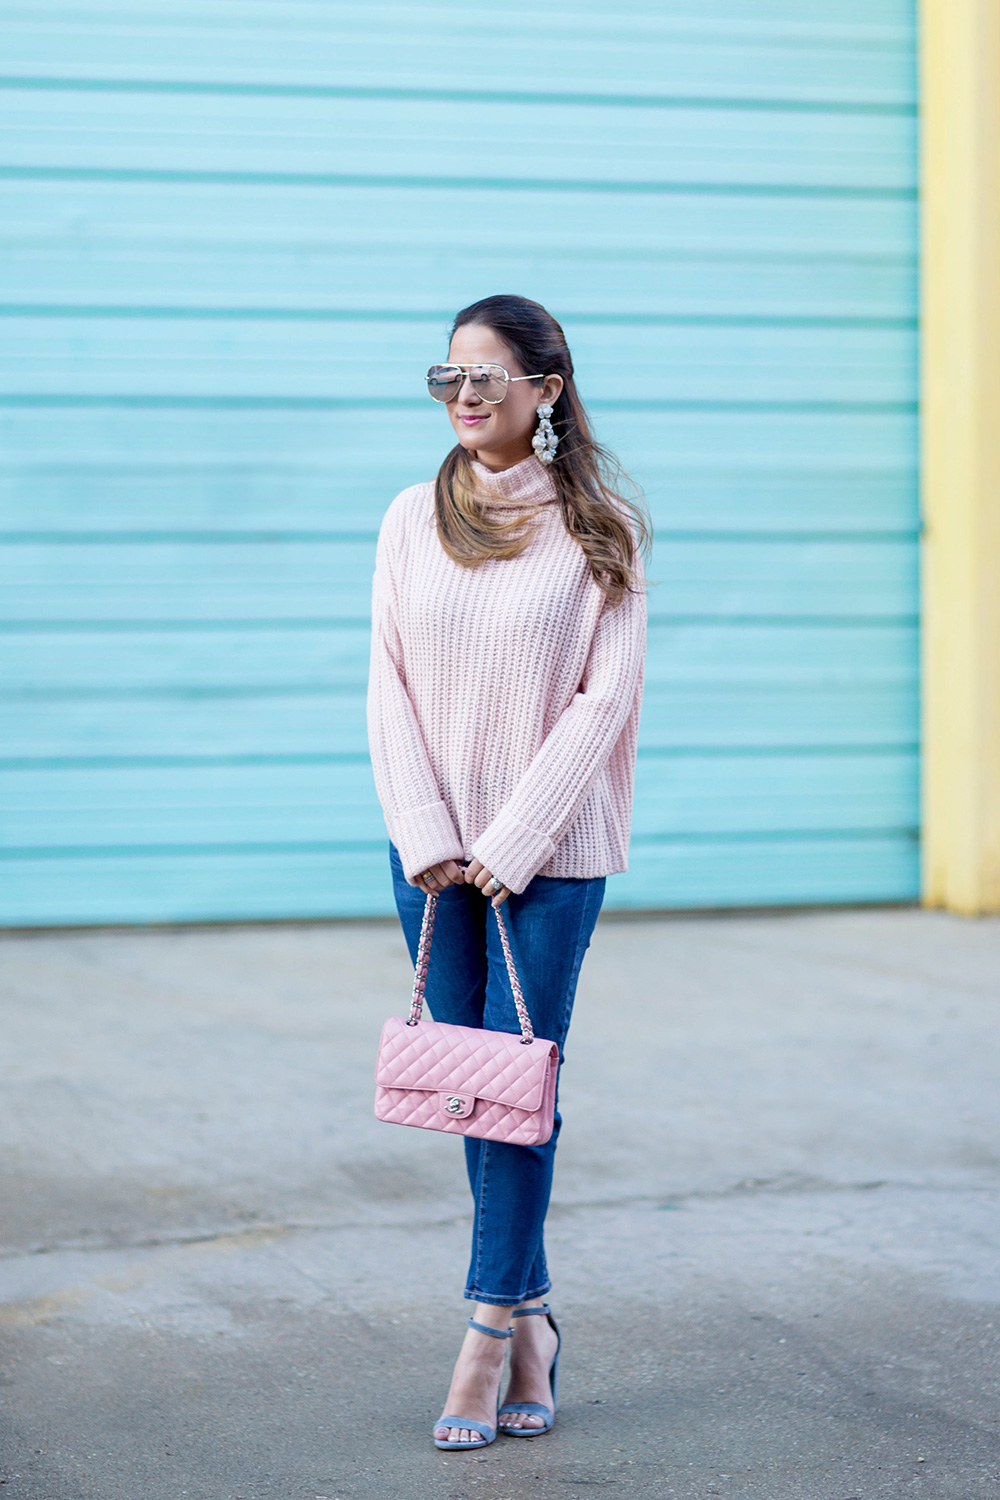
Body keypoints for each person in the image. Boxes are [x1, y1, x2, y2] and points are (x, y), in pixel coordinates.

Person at [367, 294, 648, 1450]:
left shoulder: (601, 531)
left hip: (549, 860)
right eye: (448, 377)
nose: (466, 395)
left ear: (548, 390)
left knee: (513, 1099)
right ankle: (532, 1322)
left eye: (488, 377)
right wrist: (429, 828)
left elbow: (602, 705)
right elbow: (386, 678)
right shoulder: (406, 518)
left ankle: (486, 1333)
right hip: (429, 856)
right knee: (470, 1091)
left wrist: (511, 844)